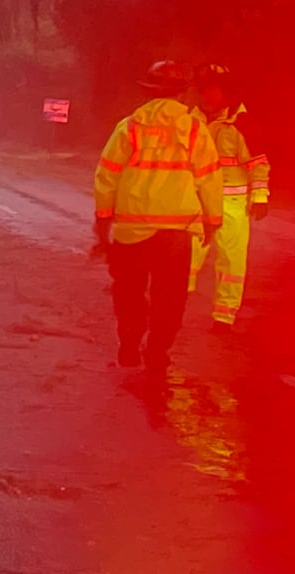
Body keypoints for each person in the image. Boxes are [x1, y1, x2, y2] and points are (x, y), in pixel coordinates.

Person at [94, 60, 224, 378]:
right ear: (182, 93)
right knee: (170, 298)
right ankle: (157, 353)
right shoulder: (195, 130)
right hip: (176, 233)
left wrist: (103, 219)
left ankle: (128, 345)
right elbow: (209, 177)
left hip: (131, 231)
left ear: (149, 90)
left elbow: (106, 175)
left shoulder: (130, 126)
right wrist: (213, 220)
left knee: (129, 293)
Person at [188, 64, 271, 334]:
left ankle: (224, 317)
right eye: (205, 90)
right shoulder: (191, 121)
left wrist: (260, 196)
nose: (208, 96)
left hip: (232, 205)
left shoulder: (243, 125)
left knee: (231, 262)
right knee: (186, 257)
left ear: (226, 93)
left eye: (214, 90)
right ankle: (174, 304)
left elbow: (258, 164)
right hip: (196, 201)